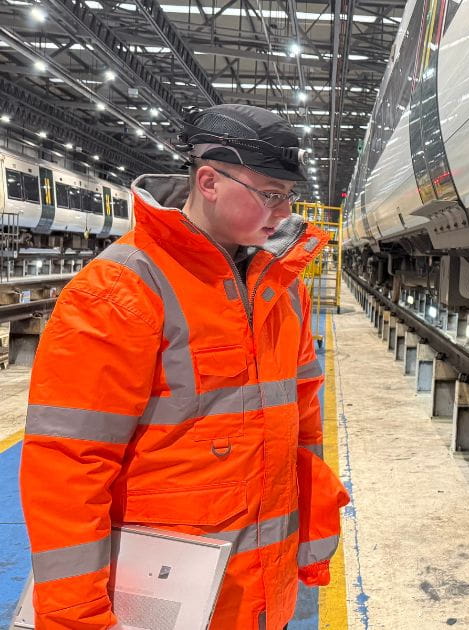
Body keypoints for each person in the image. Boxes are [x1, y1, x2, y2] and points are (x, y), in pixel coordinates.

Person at [19, 103, 348, 630]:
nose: (285, 211)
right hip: (161, 601)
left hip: (264, 594)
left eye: (289, 195)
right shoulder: (121, 289)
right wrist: (76, 617)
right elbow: (69, 462)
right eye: (270, 194)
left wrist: (306, 544)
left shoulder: (284, 289)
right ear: (209, 181)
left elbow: (302, 429)